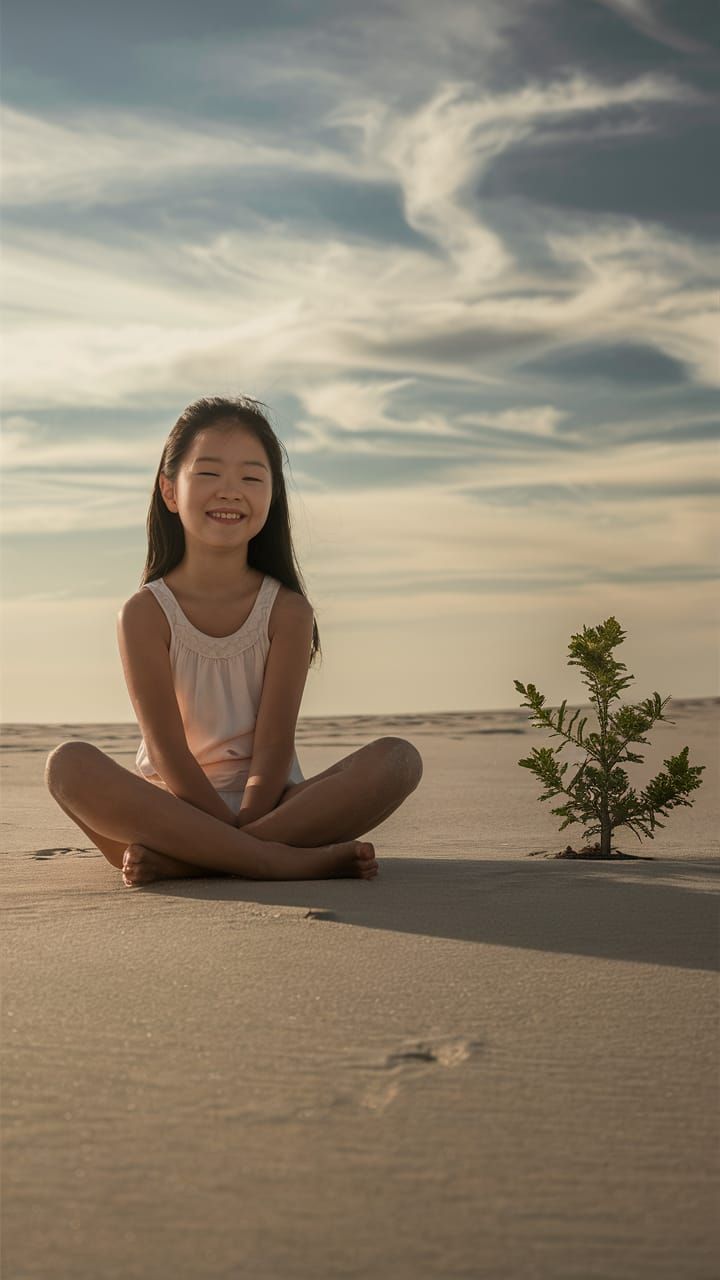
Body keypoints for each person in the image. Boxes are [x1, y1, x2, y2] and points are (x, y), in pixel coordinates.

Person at [45, 395, 423, 888]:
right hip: (172, 807)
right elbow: (168, 753)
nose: (230, 492)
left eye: (251, 477)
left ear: (272, 495)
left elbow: (273, 745)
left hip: (275, 807)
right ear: (169, 490)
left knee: (398, 760)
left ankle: (195, 863)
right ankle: (272, 862)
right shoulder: (144, 613)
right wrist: (229, 835)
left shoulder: (288, 610)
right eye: (208, 474)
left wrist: (243, 825)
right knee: (68, 765)